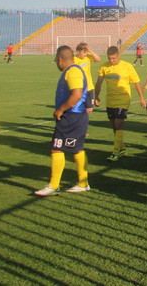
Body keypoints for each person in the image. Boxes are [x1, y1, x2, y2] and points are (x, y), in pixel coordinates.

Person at [34, 46, 91, 196]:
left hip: (72, 116)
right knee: (76, 149)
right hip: (75, 116)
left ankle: (54, 185)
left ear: (60, 59)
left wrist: (61, 109)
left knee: (57, 148)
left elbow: (77, 95)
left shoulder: (73, 71)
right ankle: (83, 183)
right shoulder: (74, 70)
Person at [95, 46, 147, 161]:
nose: (111, 60)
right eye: (109, 58)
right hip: (110, 100)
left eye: (113, 58)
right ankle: (122, 148)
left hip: (123, 99)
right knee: (114, 126)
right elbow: (98, 83)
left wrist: (142, 98)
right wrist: (96, 96)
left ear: (118, 55)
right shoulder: (104, 66)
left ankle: (115, 152)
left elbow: (136, 83)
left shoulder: (127, 66)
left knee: (119, 124)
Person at [74, 43, 101, 111]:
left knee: (89, 108)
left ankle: (83, 117)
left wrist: (90, 50)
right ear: (78, 51)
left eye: (86, 52)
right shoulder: (73, 60)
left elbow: (98, 59)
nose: (85, 54)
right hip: (79, 87)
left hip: (89, 87)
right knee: (78, 108)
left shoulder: (87, 57)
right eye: (83, 52)